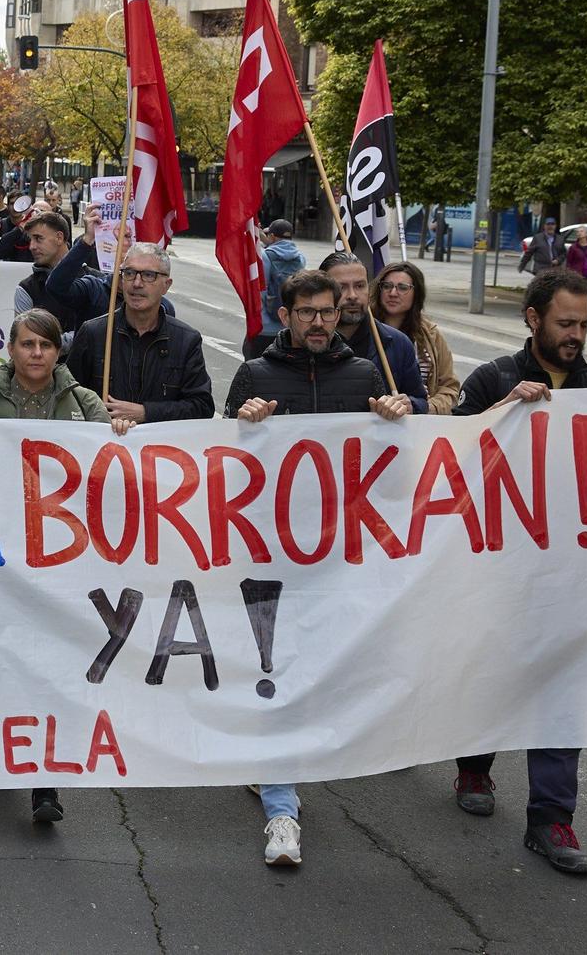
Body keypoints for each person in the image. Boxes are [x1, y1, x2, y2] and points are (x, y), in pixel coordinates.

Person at [448, 267, 587, 875]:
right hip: (499, 564)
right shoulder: (493, 377)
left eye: (584, 326)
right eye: (566, 323)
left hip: (572, 573)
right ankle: (475, 765)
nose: (576, 336)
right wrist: (501, 411)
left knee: (564, 687)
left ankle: (551, 817)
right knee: (492, 671)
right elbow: (452, 459)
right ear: (533, 319)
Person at [225, 269, 412, 868]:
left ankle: (281, 764)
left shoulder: (363, 375)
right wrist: (243, 421)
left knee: (319, 665)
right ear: (286, 317)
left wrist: (395, 417)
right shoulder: (256, 373)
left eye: (327, 312)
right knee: (273, 665)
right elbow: (218, 458)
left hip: (337, 554)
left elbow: (399, 468)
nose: (318, 322)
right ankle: (282, 807)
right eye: (306, 312)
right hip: (267, 551)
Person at [0, 306, 116, 826]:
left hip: (59, 560)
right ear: (12, 349)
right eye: (27, 345)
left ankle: (42, 781)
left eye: (45, 345)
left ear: (58, 350)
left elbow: (110, 467)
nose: (37, 354)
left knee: (47, 667)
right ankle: (1, 754)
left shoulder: (83, 402)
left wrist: (121, 436)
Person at [64, 243, 213, 424]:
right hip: (103, 447)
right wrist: (99, 416)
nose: (137, 283)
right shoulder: (94, 333)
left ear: (166, 285)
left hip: (160, 448)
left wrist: (147, 413)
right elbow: (67, 397)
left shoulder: (186, 340)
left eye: (149, 275)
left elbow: (202, 407)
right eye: (129, 273)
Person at [320, 251, 428, 412]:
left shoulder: (397, 343)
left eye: (360, 286)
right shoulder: (306, 341)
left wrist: (409, 405)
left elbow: (421, 400)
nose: (352, 296)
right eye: (341, 287)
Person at [372, 261, 460, 414]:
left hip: (419, 427)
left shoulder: (431, 335)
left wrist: (424, 408)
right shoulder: (366, 330)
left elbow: (450, 389)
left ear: (417, 293)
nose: (393, 293)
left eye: (403, 288)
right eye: (387, 286)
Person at [247, 218, 305, 357]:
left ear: (272, 236)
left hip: (265, 327)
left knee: (255, 368)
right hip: (289, 326)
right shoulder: (300, 258)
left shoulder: (265, 257)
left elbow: (260, 291)